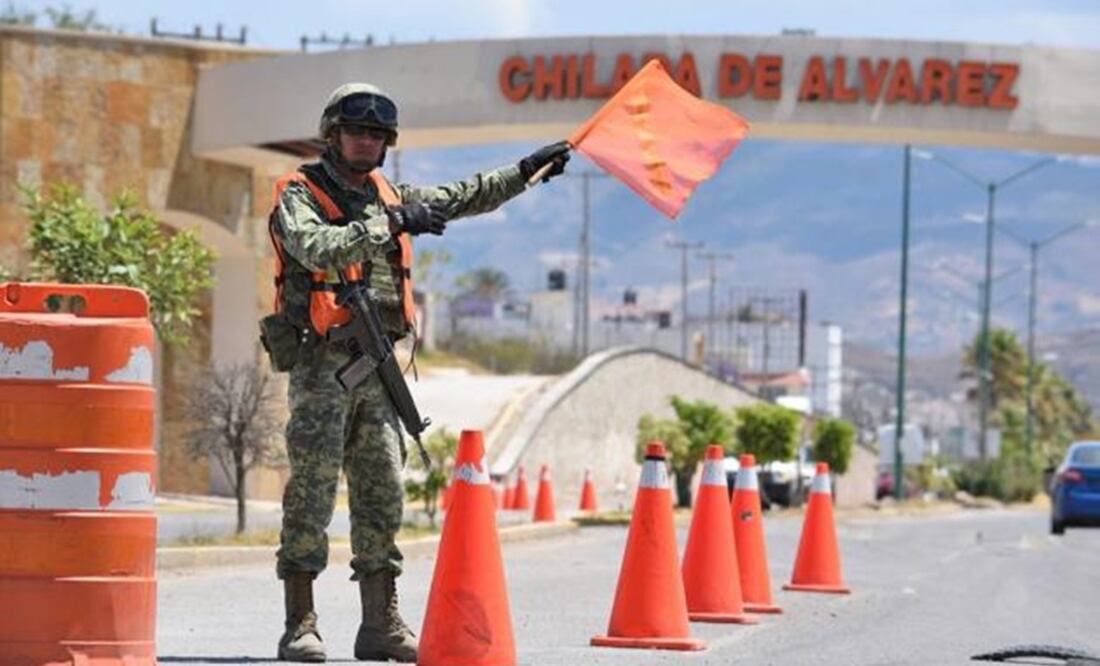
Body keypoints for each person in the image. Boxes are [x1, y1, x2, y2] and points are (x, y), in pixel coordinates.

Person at [262, 82, 570, 663]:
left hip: (376, 367)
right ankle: (299, 621)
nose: (366, 141)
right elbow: (312, 246)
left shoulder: (386, 193)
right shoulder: (299, 193)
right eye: (356, 131)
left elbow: (459, 197)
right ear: (333, 134)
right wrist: (393, 221)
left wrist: (524, 172)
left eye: (377, 135)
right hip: (322, 366)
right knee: (312, 489)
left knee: (383, 492)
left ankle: (380, 622)